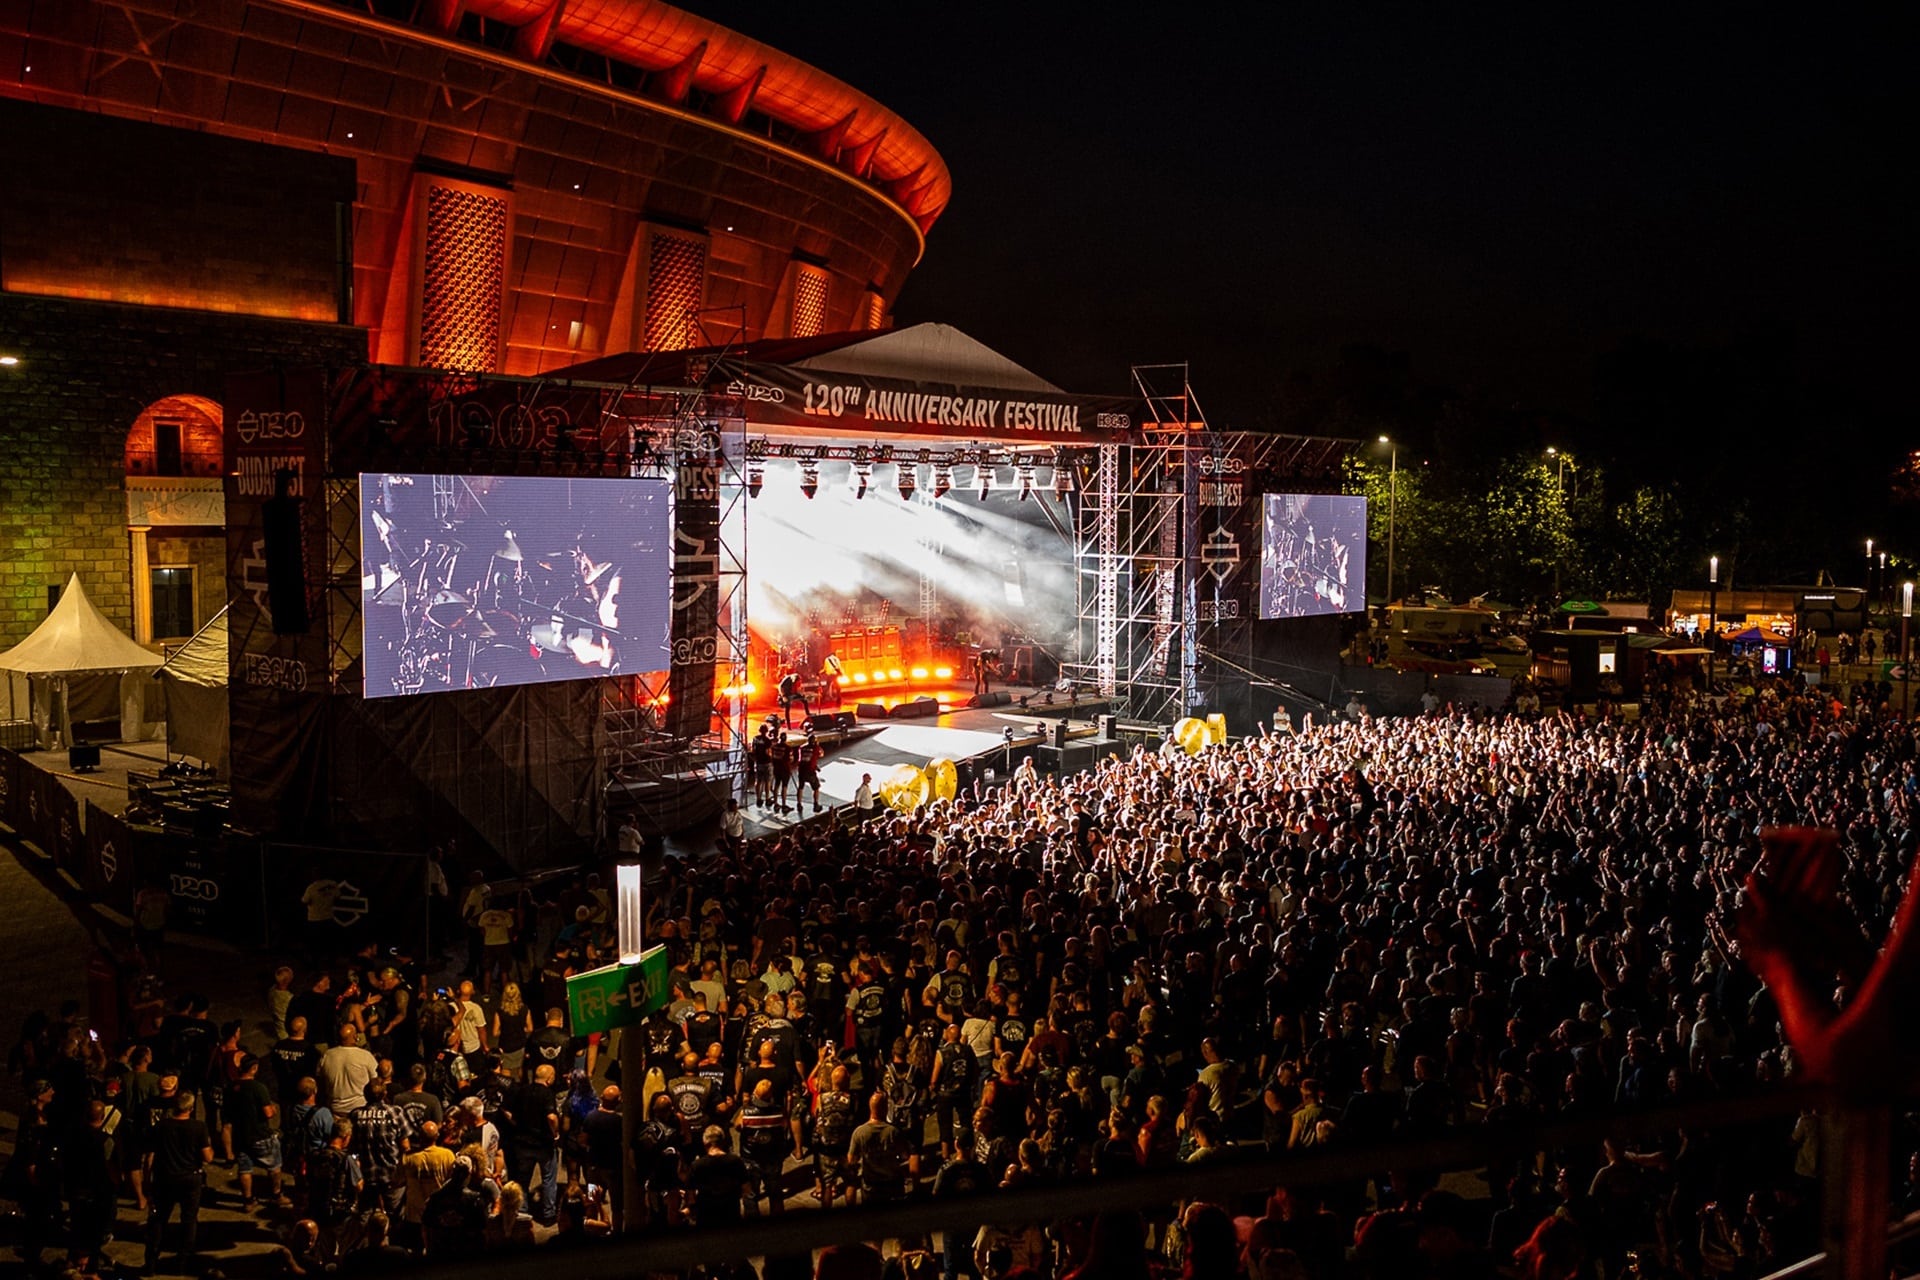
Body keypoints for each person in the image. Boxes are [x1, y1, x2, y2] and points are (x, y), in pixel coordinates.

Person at [144, 1088, 213, 1275]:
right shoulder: (198, 1127)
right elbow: (207, 1157)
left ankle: (150, 1263)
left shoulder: (161, 1126)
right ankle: (182, 1263)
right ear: (190, 1108)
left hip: (164, 1178)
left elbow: (150, 1156)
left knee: (158, 1221)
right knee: (189, 1220)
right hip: (190, 1179)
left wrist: (146, 1184)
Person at [230, 1053, 288, 1208]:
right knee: (274, 1166)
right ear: (254, 1069)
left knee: (244, 1169)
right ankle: (276, 1195)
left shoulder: (232, 1087)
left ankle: (248, 1201)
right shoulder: (258, 1088)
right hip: (260, 1135)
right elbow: (268, 1113)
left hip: (240, 1135)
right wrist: (274, 1109)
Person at [848, 1091, 911, 1204]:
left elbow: (851, 1159)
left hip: (870, 1184)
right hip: (892, 1183)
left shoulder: (859, 1132)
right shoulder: (893, 1131)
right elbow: (905, 1156)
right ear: (885, 1108)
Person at [685, 1124, 754, 1225]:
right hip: (731, 1211)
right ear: (723, 1141)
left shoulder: (696, 1165)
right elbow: (747, 1189)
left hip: (706, 1214)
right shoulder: (735, 1161)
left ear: (705, 1143)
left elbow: (690, 1197)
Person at [318, 1021, 379, 1115]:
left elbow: (320, 1078)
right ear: (355, 1037)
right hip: (360, 1109)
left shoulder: (327, 1055)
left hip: (335, 1109)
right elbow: (376, 1081)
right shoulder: (365, 1056)